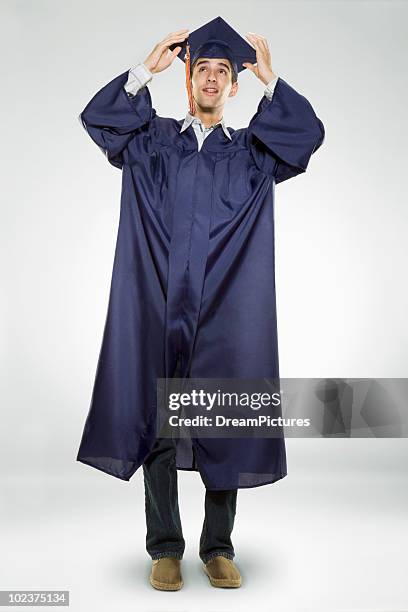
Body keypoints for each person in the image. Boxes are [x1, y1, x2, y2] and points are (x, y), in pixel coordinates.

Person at [76, 16, 325, 590]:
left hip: (223, 313)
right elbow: (99, 120)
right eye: (202, 69)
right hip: (158, 305)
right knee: (160, 420)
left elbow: (306, 135)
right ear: (188, 79)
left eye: (221, 71)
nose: (211, 79)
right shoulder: (152, 144)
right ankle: (165, 546)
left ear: (232, 85)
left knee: (220, 418)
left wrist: (272, 82)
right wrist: (144, 69)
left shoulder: (253, 156)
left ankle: (217, 547)